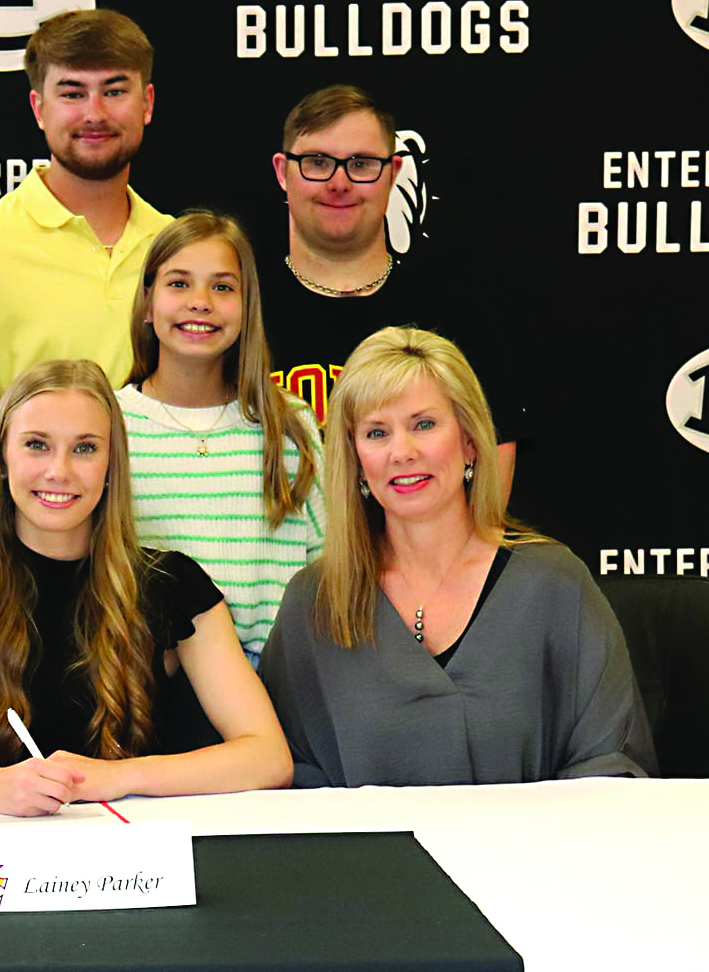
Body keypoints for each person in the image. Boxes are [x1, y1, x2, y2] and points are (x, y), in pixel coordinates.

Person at [0, 360, 292, 816]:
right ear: (2, 457)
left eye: (85, 448)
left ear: (112, 464)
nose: (59, 471)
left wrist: (120, 777)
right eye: (37, 445)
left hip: (132, 849)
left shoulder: (175, 585)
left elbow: (267, 757)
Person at [260, 327, 653, 785]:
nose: (402, 452)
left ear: (469, 441)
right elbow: (286, 775)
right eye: (377, 433)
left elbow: (610, 765)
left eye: (424, 425)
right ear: (356, 461)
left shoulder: (554, 584)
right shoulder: (314, 602)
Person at [263, 85, 521, 491]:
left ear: (393, 172)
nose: (339, 182)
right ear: (282, 172)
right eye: (317, 162)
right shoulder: (237, 314)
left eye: (361, 164)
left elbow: (491, 469)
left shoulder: (453, 321)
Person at [119, 212, 324, 664]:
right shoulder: (111, 425)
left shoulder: (290, 425)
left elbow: (330, 565)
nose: (200, 302)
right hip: (151, 679)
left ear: (248, 307)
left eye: (223, 287)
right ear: (147, 304)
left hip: (280, 681)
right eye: (178, 284)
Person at [0, 9, 171, 393]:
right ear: (39, 109)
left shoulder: (175, 247)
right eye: (72, 94)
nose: (94, 114)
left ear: (147, 104)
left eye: (114, 91)